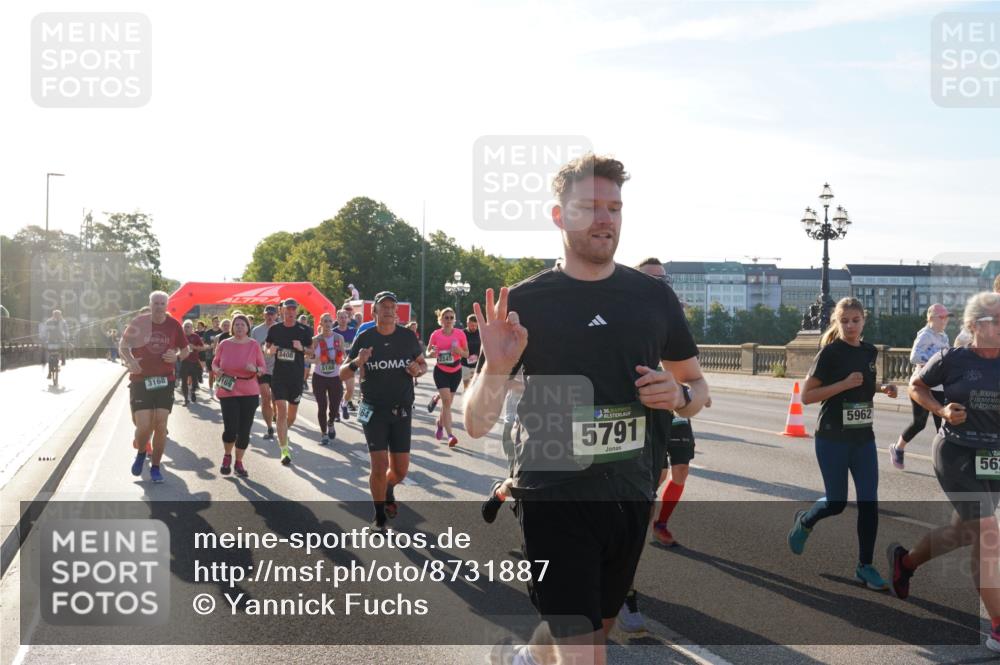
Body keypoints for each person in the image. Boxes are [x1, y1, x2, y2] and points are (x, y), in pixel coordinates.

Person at [464, 153, 708, 665]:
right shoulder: (527, 301)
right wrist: (495, 367)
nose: (606, 218)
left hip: (631, 489)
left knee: (598, 627)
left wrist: (679, 397)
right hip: (554, 489)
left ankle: (525, 659)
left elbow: (697, 388)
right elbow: (476, 422)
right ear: (559, 216)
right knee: (587, 655)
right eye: (591, 206)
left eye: (614, 207)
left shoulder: (652, 298)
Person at [887, 291, 1000, 653]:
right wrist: (941, 410)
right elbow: (916, 386)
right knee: (986, 532)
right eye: (993, 320)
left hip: (993, 458)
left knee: (962, 533)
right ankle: (997, 626)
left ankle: (905, 562)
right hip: (956, 454)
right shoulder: (952, 358)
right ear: (972, 325)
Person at [787, 297, 898, 590]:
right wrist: (844, 385)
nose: (850, 325)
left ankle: (865, 566)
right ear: (837, 322)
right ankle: (806, 520)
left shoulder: (869, 351)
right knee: (836, 502)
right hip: (832, 437)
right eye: (844, 321)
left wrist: (882, 387)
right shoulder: (830, 353)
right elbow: (807, 397)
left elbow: (862, 381)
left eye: (855, 320)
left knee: (869, 502)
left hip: (863, 438)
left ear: (864, 320)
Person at [341, 291, 426, 529]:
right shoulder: (365, 337)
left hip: (401, 411)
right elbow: (342, 373)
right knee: (378, 465)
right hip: (374, 410)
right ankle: (379, 516)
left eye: (392, 306)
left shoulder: (407, 337)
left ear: (396, 311)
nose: (388, 310)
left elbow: (423, 365)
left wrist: (417, 370)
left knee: (399, 471)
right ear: (374, 311)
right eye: (384, 306)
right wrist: (359, 362)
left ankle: (388, 488)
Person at [120, 291, 190, 483]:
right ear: (150, 304)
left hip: (165, 381)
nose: (159, 306)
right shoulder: (139, 323)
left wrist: (176, 357)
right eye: (155, 303)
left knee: (160, 424)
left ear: (167, 305)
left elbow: (185, 350)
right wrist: (130, 360)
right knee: (143, 426)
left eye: (162, 303)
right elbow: (123, 346)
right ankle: (142, 452)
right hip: (141, 380)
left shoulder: (174, 325)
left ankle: (156, 467)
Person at [890, 304, 951, 469]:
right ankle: (898, 448)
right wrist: (934, 361)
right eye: (942, 317)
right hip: (921, 386)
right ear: (931, 318)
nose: (945, 320)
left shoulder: (944, 336)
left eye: (947, 317)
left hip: (939, 387)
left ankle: (944, 462)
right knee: (919, 423)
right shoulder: (925, 335)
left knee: (943, 426)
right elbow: (914, 357)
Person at [212, 314, 265, 478]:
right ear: (232, 328)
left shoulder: (254, 345)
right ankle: (227, 456)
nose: (239, 327)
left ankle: (239, 462)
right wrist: (216, 370)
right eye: (237, 325)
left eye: (243, 325)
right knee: (231, 428)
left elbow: (263, 369)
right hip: (228, 389)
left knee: (244, 431)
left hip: (249, 390)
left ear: (248, 327)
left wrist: (255, 369)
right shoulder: (224, 344)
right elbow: (215, 362)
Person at [264, 299, 314, 466]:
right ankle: (284, 449)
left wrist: (302, 348)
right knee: (281, 410)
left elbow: (312, 352)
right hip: (279, 377)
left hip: (296, 378)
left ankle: (284, 431)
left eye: (293, 309)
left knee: (291, 416)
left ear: (296, 311)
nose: (290, 312)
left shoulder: (304, 330)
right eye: (287, 309)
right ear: (282, 311)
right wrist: (270, 351)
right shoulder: (275, 329)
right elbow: (267, 347)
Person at [426, 307, 468, 447]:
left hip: (455, 371)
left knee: (447, 404)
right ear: (441, 320)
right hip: (441, 371)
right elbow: (428, 351)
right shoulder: (436, 334)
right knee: (446, 401)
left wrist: (459, 351)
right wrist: (432, 352)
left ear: (454, 320)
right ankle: (450, 435)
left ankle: (440, 423)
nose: (449, 320)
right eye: (446, 317)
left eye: (451, 317)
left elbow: (467, 354)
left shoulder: (460, 334)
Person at [307, 312, 346, 445]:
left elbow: (344, 356)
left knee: (335, 406)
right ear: (321, 324)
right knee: (322, 406)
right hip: (320, 378)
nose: (328, 324)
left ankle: (331, 423)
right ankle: (324, 434)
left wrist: (339, 359)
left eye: (330, 321)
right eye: (325, 321)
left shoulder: (339, 337)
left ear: (332, 323)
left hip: (335, 377)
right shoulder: (315, 340)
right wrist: (317, 360)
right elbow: (308, 358)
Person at [251, 306, 279, 439]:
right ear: (263, 315)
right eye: (267, 314)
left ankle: (277, 417)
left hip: (279, 369)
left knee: (277, 399)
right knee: (266, 398)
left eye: (272, 314)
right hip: (263, 369)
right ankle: (269, 428)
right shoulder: (256, 331)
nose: (269, 316)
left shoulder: (282, 329)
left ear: (276, 316)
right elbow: (251, 349)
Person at [335, 309, 358, 419]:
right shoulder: (334, 332)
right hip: (336, 363)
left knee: (350, 389)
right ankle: (336, 411)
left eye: (345, 317)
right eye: (341, 317)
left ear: (348, 319)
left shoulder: (354, 331)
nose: (343, 319)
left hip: (349, 363)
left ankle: (344, 404)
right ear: (337, 319)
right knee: (338, 389)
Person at [179, 320, 208, 405]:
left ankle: (193, 391)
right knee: (184, 381)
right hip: (184, 362)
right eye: (185, 327)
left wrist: (194, 347)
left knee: (195, 381)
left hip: (194, 361)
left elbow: (202, 348)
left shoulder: (195, 336)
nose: (186, 328)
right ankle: (185, 399)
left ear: (192, 328)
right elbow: (175, 348)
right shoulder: (180, 336)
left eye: (188, 327)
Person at [39, 309, 69, 379]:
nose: (57, 316)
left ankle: (63, 360)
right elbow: (45, 331)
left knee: (63, 348)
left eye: (58, 315)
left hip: (60, 340)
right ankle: (49, 373)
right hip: (51, 340)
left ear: (60, 315)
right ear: (53, 315)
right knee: (50, 356)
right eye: (56, 315)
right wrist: (43, 338)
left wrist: (67, 338)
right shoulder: (49, 322)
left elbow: (66, 331)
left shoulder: (63, 322)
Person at [461, 314, 481, 390]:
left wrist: (477, 355)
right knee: (466, 386)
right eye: (472, 325)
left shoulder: (480, 332)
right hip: (464, 363)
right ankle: (466, 400)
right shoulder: (462, 333)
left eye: (476, 326)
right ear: (467, 323)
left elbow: (483, 346)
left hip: (477, 364)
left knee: (475, 386)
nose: (474, 327)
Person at [203, 316, 222, 391]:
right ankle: (211, 390)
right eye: (215, 321)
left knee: (219, 374)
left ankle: (218, 388)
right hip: (209, 356)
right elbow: (204, 344)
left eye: (218, 321)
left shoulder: (222, 332)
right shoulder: (208, 332)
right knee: (211, 374)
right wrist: (209, 346)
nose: (216, 323)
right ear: (212, 323)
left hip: (220, 356)